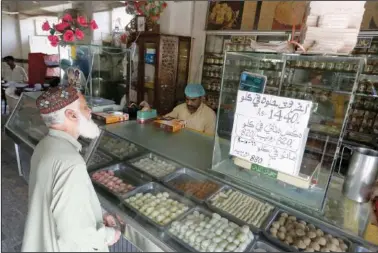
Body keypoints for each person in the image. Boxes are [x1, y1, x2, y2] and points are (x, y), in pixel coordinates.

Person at [22, 87, 121, 252]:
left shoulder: (45, 145)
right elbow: (75, 233)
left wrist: (100, 213)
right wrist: (109, 236)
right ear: (71, 115)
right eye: (84, 107)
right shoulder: (70, 163)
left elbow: (63, 203)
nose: (89, 111)